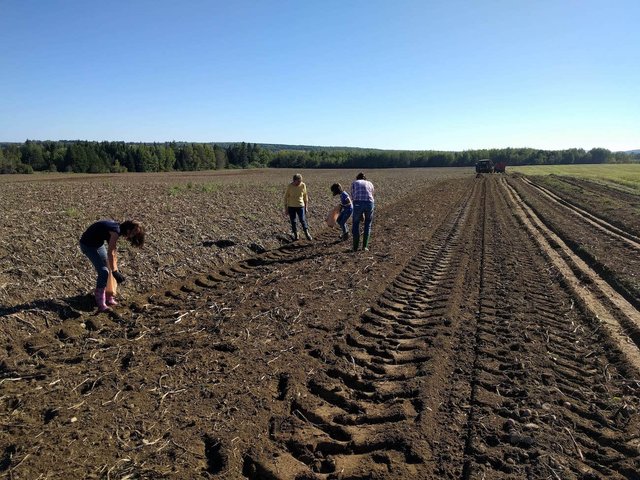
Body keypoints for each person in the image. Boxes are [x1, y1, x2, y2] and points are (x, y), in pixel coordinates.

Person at [79, 220, 145, 311]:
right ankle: (100, 302)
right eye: (133, 232)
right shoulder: (116, 231)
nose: (133, 235)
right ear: (128, 229)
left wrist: (114, 270)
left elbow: (113, 252)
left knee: (110, 266)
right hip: (88, 245)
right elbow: (110, 252)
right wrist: (115, 272)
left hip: (98, 245)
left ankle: (108, 296)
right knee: (103, 271)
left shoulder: (117, 230)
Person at [351, 172, 375, 251]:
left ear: (357, 178)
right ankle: (365, 246)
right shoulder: (370, 183)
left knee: (356, 223)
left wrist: (359, 212)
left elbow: (353, 196)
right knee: (368, 224)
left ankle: (355, 247)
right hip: (369, 203)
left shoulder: (355, 183)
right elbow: (372, 194)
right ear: (365, 178)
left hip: (358, 203)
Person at [284, 173, 312, 241]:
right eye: (298, 181)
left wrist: (306, 207)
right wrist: (286, 209)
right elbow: (285, 197)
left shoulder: (303, 185)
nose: (299, 183)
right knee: (293, 221)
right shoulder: (290, 186)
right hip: (291, 206)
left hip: (300, 206)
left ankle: (307, 233)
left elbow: (305, 196)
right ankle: (296, 235)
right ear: (294, 180)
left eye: (300, 181)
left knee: (302, 220)